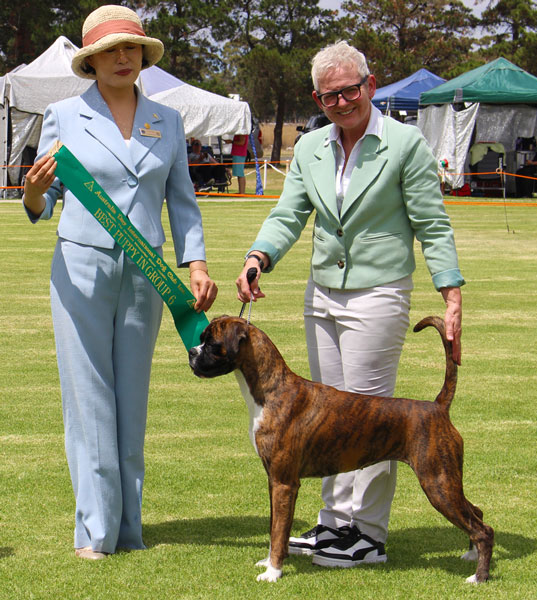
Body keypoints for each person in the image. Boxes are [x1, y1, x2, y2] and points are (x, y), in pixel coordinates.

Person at [235, 41, 464, 569]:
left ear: (371, 84)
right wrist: (257, 256)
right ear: (317, 98)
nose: (342, 102)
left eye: (350, 90)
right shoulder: (311, 147)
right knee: (324, 420)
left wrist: (450, 292)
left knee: (372, 415)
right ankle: (334, 525)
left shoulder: (405, 144)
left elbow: (432, 224)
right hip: (322, 296)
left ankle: (368, 533)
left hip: (379, 294)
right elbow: (287, 214)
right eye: (329, 95)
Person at [22, 5, 217, 560]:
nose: (123, 57)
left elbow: (183, 201)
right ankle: (96, 532)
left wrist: (196, 266)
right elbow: (43, 201)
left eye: (132, 47)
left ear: (143, 56)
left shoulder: (168, 120)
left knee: (132, 400)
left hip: (147, 276)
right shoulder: (62, 115)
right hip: (81, 270)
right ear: (91, 61)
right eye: (111, 50)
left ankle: (130, 530)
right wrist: (35, 193)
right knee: (89, 400)